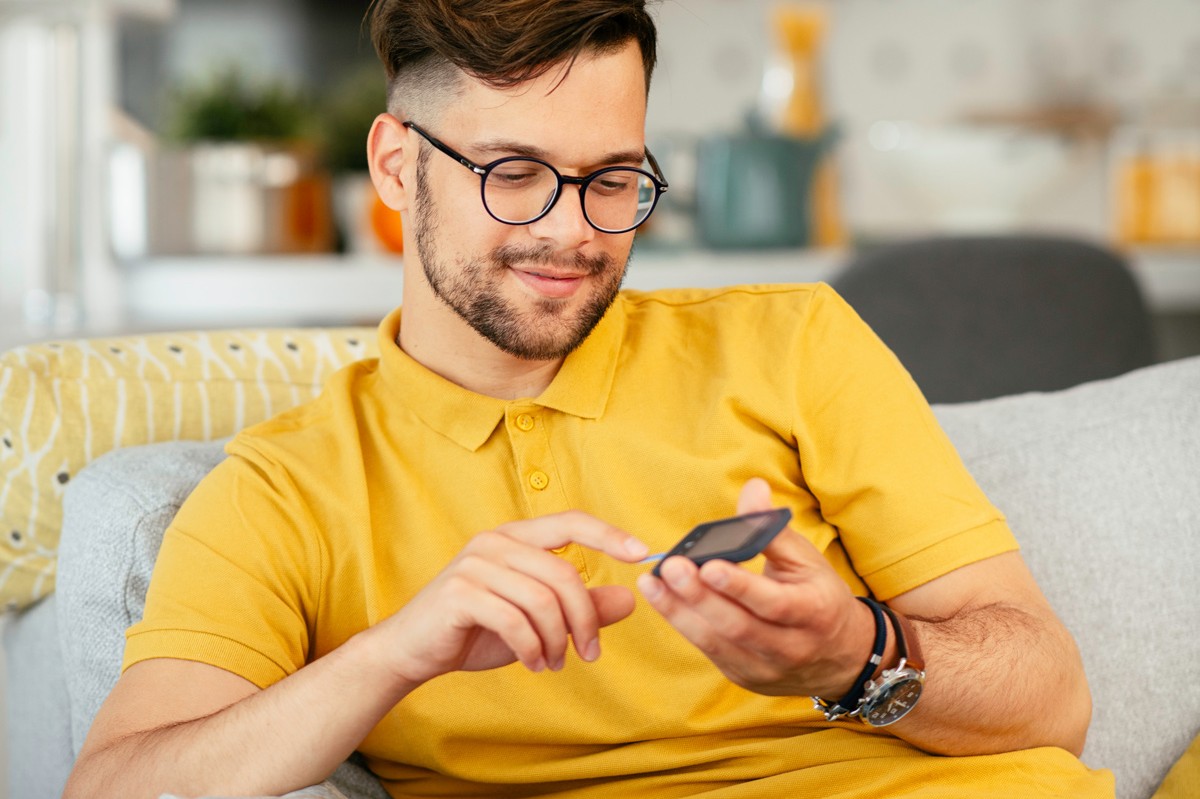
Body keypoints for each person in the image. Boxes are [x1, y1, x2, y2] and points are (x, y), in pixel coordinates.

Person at [64, 1, 1115, 797]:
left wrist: (852, 652)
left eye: (613, 178)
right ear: (395, 166)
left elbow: (1053, 700)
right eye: (514, 172)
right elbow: (113, 781)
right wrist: (392, 654)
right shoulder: (287, 488)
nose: (573, 231)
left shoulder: (794, 342)